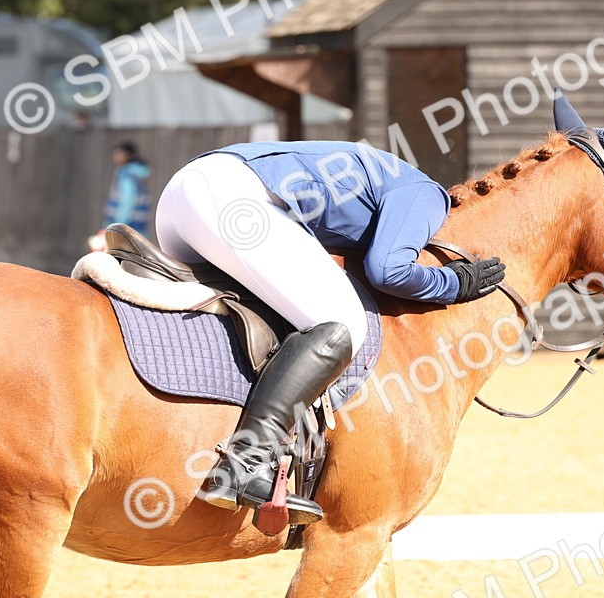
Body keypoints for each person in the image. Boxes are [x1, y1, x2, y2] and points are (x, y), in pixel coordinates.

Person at [155, 141, 506, 523]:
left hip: (181, 198)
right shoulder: (428, 196)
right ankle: (244, 463)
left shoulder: (380, 178)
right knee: (341, 324)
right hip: (229, 198)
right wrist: (453, 284)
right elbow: (388, 270)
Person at [104, 142, 151, 235]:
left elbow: (127, 202)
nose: (116, 157)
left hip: (127, 230)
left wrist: (117, 227)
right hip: (136, 229)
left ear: (128, 155)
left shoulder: (128, 177)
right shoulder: (137, 174)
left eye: (119, 153)